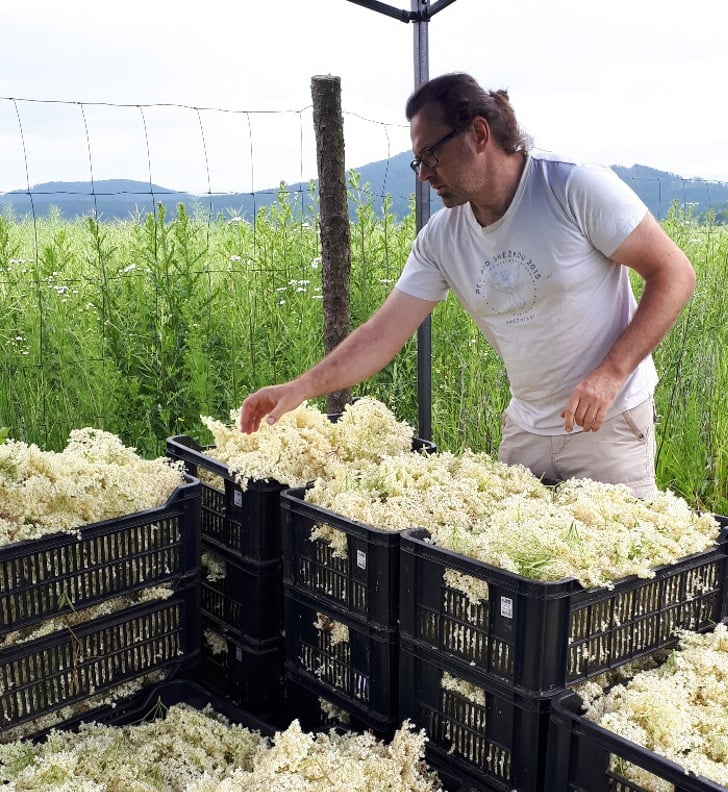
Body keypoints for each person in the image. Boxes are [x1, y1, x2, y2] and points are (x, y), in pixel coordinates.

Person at [239, 72, 696, 497]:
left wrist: (612, 372)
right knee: (519, 571)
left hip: (608, 425)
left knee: (617, 574)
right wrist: (302, 387)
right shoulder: (441, 238)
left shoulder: (572, 187)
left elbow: (674, 273)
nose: (423, 173)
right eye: (418, 161)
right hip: (527, 431)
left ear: (479, 134)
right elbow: (381, 335)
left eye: (431, 155)